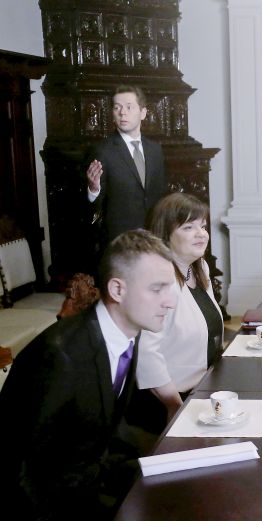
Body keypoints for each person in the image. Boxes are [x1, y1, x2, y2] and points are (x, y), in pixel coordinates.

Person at [0, 230, 176, 520]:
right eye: (157, 289)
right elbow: (18, 466)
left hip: (91, 485)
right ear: (117, 290)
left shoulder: (127, 334)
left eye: (169, 289)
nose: (169, 302)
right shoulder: (60, 357)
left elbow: (101, 433)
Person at [128, 193, 223, 435]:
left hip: (203, 388)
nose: (201, 234)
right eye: (189, 227)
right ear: (165, 234)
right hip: (167, 402)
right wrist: (175, 405)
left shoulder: (198, 268)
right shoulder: (157, 280)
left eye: (203, 226)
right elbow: (145, 353)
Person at [86, 85, 167, 254]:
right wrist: (93, 189)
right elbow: (93, 207)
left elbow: (161, 195)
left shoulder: (155, 150)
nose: (122, 113)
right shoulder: (102, 151)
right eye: (117, 107)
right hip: (120, 242)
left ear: (143, 113)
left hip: (154, 237)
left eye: (129, 107)